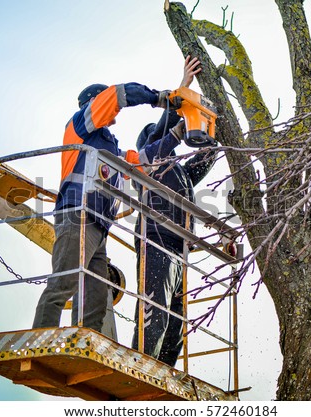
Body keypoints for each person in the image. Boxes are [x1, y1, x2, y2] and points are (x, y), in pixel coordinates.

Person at [32, 82, 186, 332]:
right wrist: (157, 98)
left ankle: (84, 342)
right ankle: (41, 335)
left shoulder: (109, 147)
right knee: (64, 282)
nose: (113, 113)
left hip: (98, 225)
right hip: (77, 215)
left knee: (94, 295)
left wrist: (176, 134)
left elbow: (143, 161)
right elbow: (117, 94)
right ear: (94, 103)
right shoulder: (80, 125)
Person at [131, 56, 216, 367]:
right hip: (155, 243)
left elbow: (206, 158)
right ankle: (139, 368)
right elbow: (165, 129)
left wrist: (208, 131)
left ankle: (163, 372)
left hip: (179, 250)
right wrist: (183, 88)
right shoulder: (145, 162)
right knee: (155, 317)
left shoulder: (178, 172)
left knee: (175, 326)